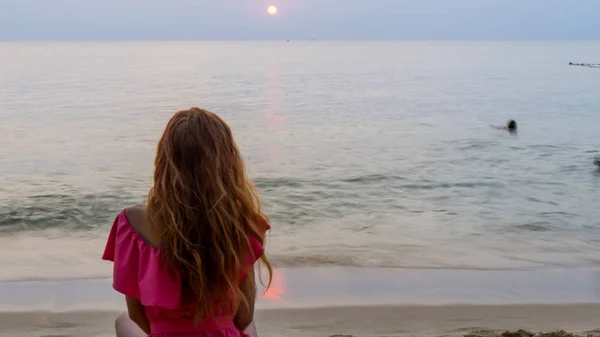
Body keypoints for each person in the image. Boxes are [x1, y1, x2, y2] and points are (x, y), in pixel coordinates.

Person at [102, 108, 272, 337]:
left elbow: (137, 316)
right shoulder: (240, 223)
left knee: (123, 321)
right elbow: (244, 317)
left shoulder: (131, 224)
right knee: (250, 328)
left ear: (164, 160)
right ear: (226, 162)